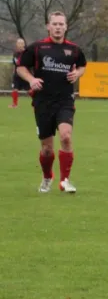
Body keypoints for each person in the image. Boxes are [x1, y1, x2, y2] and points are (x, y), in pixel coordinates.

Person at [16, 11, 87, 193]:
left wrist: (77, 74)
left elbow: (82, 66)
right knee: (47, 149)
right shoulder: (37, 48)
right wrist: (31, 79)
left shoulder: (74, 50)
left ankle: (65, 181)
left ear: (66, 27)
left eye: (61, 24)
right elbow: (21, 67)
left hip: (65, 100)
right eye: (54, 24)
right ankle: (47, 177)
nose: (57, 27)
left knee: (65, 136)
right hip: (43, 102)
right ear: (48, 26)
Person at [9, 38, 30, 108]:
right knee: (15, 89)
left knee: (30, 90)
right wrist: (13, 73)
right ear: (16, 44)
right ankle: (14, 104)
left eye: (21, 43)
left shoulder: (27, 53)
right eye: (18, 43)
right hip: (16, 75)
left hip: (24, 74)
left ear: (24, 44)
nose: (20, 45)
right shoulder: (15, 53)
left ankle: (36, 104)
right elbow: (14, 64)